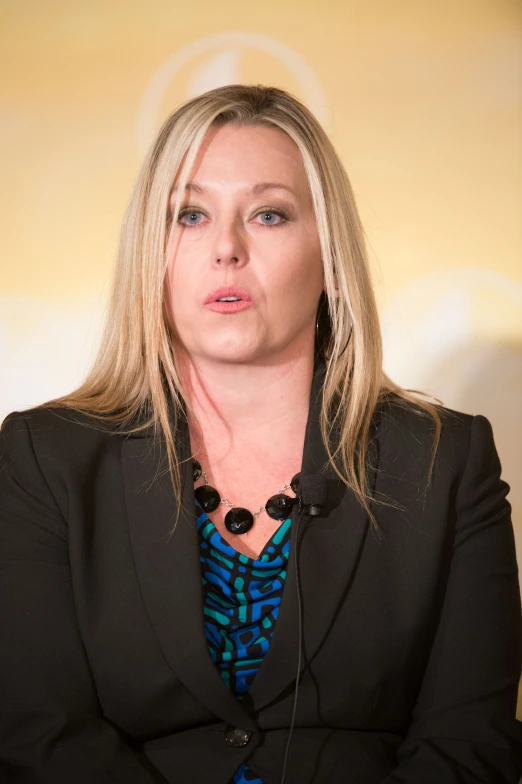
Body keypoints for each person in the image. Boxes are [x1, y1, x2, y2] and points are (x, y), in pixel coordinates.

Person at [0, 83, 521, 784]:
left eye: (269, 214)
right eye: (190, 215)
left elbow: (467, 744)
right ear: (149, 255)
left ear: (331, 259)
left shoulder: (443, 460)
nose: (226, 249)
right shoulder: (46, 459)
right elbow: (41, 736)